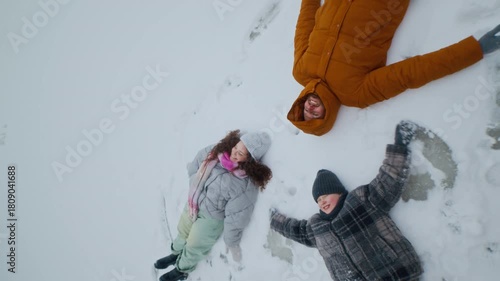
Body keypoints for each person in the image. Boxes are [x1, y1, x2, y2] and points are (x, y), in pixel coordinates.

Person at [287, 0, 500, 136]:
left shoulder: (301, 70)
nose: (310, 109)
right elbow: (412, 72)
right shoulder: (356, 94)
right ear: (328, 115)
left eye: (305, 111)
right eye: (315, 115)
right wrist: (475, 49)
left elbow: (305, 22)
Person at [269, 120, 423, 280]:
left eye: (325, 195)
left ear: (339, 193)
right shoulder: (316, 227)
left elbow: (388, 180)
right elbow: (296, 231)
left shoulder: (362, 201)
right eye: (318, 200)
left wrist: (400, 146)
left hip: (394, 272)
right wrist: (275, 221)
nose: (321, 202)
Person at [154, 130, 273, 281]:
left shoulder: (244, 184)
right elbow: (196, 163)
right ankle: (176, 253)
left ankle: (182, 269)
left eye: (240, 154)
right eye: (236, 148)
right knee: (182, 230)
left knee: (195, 244)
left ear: (249, 159)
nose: (234, 154)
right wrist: (194, 182)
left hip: (211, 217)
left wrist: (232, 242)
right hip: (194, 201)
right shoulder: (216, 152)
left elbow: (237, 215)